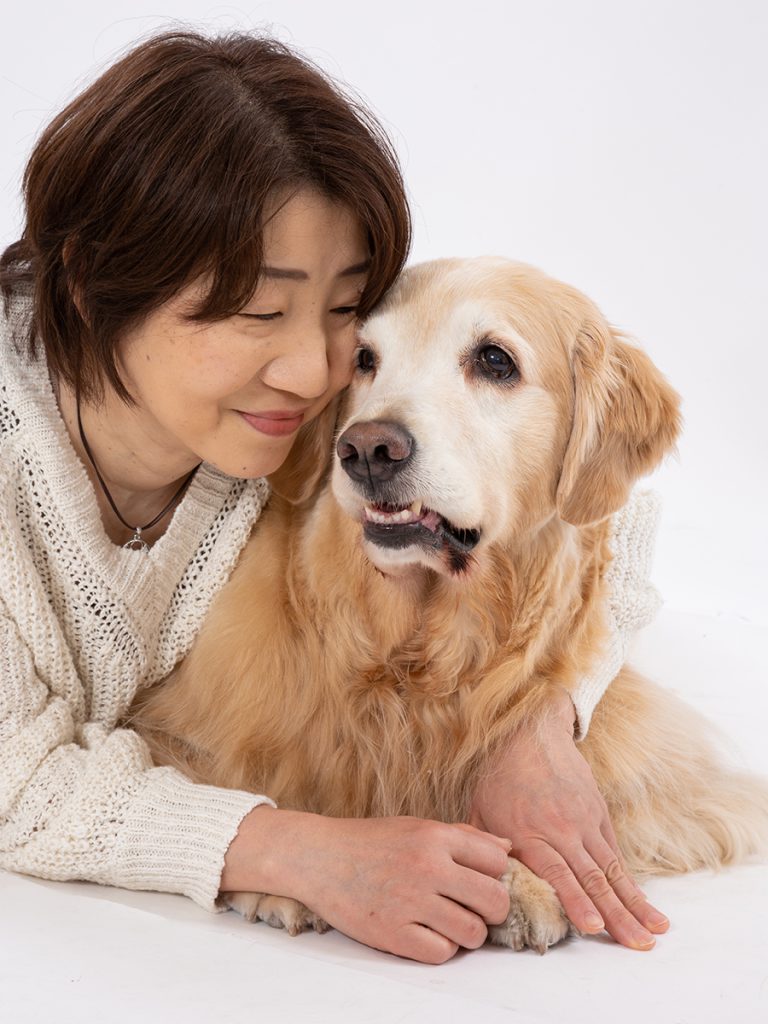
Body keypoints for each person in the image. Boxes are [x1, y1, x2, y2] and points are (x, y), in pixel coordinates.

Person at [0, 29, 668, 964]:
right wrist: (300, 853)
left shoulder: (308, 419)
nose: (316, 371)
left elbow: (605, 499)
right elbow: (13, 775)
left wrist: (543, 724)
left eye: (344, 312)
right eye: (261, 312)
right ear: (87, 282)